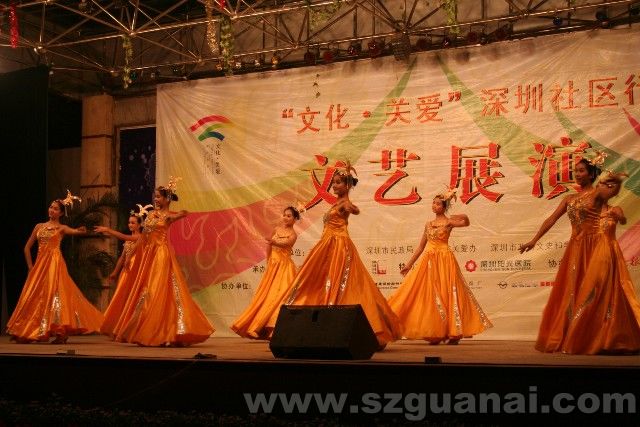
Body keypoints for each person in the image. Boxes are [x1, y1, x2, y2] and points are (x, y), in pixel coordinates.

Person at [285, 165, 402, 348]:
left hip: (339, 246)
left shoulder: (344, 203)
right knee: (321, 281)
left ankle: (355, 329)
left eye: (338, 183)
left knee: (343, 283)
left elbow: (354, 210)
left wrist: (350, 206)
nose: (334, 185)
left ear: (347, 185)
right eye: (333, 182)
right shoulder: (336, 203)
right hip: (327, 245)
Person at [114, 179, 214, 346]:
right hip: (149, 255)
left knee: (156, 288)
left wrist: (179, 214)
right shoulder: (151, 215)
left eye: (159, 197)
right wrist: (131, 253)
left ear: (167, 199)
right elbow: (143, 237)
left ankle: (160, 332)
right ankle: (153, 330)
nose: (156, 199)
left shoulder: (168, 216)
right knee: (149, 290)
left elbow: (184, 213)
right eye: (155, 196)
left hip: (161, 254)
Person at [520, 156, 603, 352]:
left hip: (595, 246)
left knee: (595, 288)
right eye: (576, 171)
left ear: (591, 173)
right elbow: (551, 220)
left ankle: (597, 335)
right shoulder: (569, 199)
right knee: (573, 289)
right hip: (576, 248)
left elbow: (610, 209)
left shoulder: (599, 195)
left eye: (581, 171)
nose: (577, 174)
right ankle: (574, 335)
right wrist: (534, 240)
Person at [388, 190, 492, 344]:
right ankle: (435, 331)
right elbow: (421, 247)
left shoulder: (449, 222)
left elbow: (466, 223)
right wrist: (409, 265)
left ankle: (453, 332)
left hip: (444, 259)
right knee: (429, 294)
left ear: (444, 207)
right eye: (433, 203)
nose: (434, 206)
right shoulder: (428, 224)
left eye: (438, 204)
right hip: (429, 260)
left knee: (448, 292)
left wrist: (463, 216)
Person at [7, 193, 103, 343]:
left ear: (61, 213)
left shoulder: (62, 228)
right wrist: (30, 267)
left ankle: (59, 332)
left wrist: (80, 230)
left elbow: (74, 231)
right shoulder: (39, 226)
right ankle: (26, 329)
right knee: (33, 295)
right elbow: (26, 248)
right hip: (39, 266)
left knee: (56, 296)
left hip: (54, 265)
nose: (51, 210)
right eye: (51, 207)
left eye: (55, 209)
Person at [562, 171, 640, 354]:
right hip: (595, 253)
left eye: (608, 187)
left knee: (608, 291)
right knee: (592, 292)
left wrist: (619, 216)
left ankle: (612, 337)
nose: (604, 190)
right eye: (602, 186)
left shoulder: (615, 209)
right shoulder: (592, 212)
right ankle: (592, 336)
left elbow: (623, 220)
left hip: (609, 253)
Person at [232, 206, 300, 339]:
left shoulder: (293, 234)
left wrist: (274, 241)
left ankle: (274, 329)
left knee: (280, 296)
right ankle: (258, 327)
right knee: (266, 295)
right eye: (284, 215)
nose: (286, 218)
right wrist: (268, 260)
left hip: (284, 267)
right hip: (273, 266)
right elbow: (269, 245)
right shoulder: (276, 229)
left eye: (289, 216)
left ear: (295, 219)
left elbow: (285, 244)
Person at [95, 205, 151, 338]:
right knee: (122, 298)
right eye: (129, 222)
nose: (130, 225)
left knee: (133, 299)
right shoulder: (128, 241)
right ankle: (119, 327)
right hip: (126, 271)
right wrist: (115, 272)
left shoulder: (141, 237)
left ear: (140, 225)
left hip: (136, 271)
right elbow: (122, 258)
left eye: (133, 223)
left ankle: (131, 329)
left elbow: (123, 236)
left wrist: (108, 230)